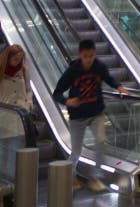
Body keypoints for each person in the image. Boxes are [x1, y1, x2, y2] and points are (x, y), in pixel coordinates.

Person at [53, 39, 129, 192]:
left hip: (96, 113)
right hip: (77, 116)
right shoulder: (73, 70)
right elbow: (57, 93)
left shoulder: (99, 66)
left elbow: (109, 78)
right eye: (85, 56)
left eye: (92, 55)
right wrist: (68, 101)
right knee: (76, 151)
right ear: (80, 54)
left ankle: (96, 178)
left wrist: (120, 87)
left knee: (101, 144)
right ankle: (71, 177)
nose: (89, 59)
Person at [0, 45, 33, 178]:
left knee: (14, 154)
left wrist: (28, 104)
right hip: (1, 118)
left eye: (21, 59)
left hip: (19, 118)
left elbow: (28, 90)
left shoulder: (24, 71)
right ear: (8, 58)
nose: (18, 62)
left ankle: (11, 186)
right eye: (16, 59)